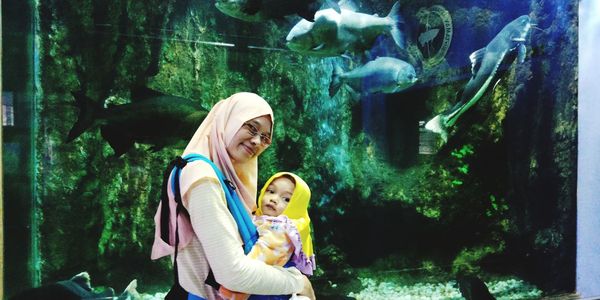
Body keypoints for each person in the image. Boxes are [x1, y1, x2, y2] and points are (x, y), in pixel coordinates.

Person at [150, 92, 315, 300]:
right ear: (228, 121)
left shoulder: (219, 175)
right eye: (251, 128)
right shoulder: (203, 178)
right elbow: (232, 274)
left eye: (265, 138)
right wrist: (298, 282)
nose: (257, 141)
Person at [219, 172, 316, 300]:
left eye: (286, 199)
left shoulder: (282, 229)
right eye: (271, 191)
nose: (274, 199)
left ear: (296, 207)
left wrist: (230, 291)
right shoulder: (259, 217)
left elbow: (263, 256)